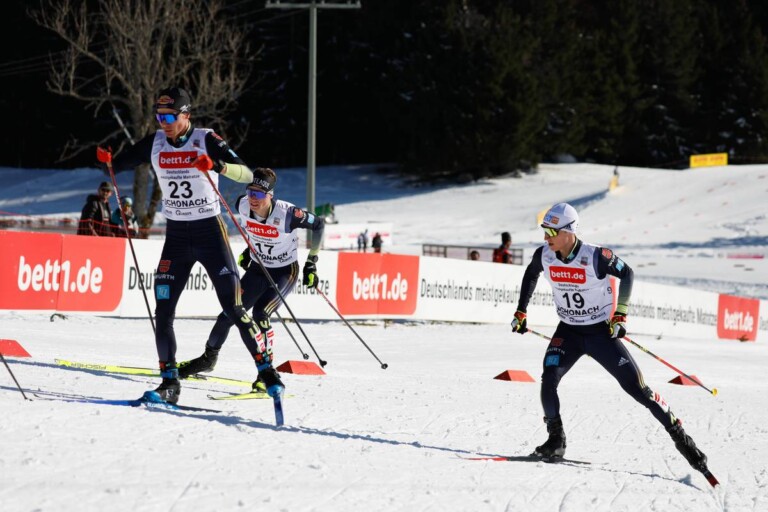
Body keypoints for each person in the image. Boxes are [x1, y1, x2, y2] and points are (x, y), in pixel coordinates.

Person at [95, 86, 279, 404]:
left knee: (233, 308)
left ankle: (266, 371)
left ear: (186, 115)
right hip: (177, 238)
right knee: (163, 310)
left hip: (210, 234)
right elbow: (117, 165)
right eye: (159, 116)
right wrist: (108, 161)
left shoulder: (205, 139)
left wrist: (216, 166)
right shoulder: (154, 142)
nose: (163, 122)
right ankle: (169, 383)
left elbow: (246, 172)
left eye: (169, 116)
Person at [510, 202, 711, 477]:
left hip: (600, 334)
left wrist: (621, 314)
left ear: (568, 231)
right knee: (549, 377)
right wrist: (522, 310)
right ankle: (556, 441)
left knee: (638, 390)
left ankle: (683, 440)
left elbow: (627, 273)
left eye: (551, 232)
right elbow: (530, 274)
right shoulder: (544, 255)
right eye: (545, 231)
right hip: (568, 332)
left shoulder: (596, 256)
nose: (546, 238)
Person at [178, 168, 325, 393]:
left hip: (285, 271)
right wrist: (250, 249)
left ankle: (265, 373)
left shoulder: (289, 214)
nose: (252, 199)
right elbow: (254, 229)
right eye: (250, 192)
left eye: (259, 194)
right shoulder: (242, 204)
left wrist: (311, 262)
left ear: (270, 195)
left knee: (261, 313)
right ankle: (208, 359)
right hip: (258, 268)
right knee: (229, 312)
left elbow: (319, 224)